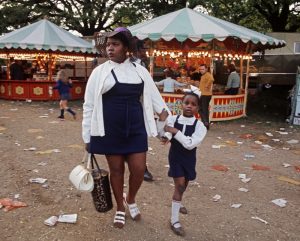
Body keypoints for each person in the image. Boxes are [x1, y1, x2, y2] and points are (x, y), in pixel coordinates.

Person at [82, 27, 169, 229]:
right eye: (108, 45)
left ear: (126, 47)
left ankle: (130, 198)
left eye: (115, 44)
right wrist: (87, 136)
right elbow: (89, 106)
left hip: (136, 128)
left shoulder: (140, 71)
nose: (110, 48)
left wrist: (166, 127)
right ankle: (120, 207)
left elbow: (157, 101)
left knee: (138, 170)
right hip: (110, 129)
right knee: (117, 170)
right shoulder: (99, 72)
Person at [161, 88, 207, 236]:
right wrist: (166, 133)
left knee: (184, 185)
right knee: (180, 186)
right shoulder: (173, 119)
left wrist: (175, 132)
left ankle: (178, 202)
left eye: (193, 104)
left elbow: (189, 144)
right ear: (181, 104)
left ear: (197, 108)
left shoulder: (200, 126)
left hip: (189, 159)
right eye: (186, 102)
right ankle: (174, 220)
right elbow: (166, 133)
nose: (189, 106)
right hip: (175, 157)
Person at [131, 40, 154, 182]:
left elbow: (148, 88)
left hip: (139, 106)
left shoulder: (142, 65)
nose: (145, 52)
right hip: (129, 106)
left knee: (141, 136)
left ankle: (142, 167)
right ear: (137, 50)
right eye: (143, 49)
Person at [199, 64, 214, 130]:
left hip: (206, 95)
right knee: (200, 109)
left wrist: (207, 86)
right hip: (203, 94)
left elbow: (211, 79)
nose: (201, 70)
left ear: (206, 69)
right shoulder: (203, 76)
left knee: (204, 110)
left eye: (203, 69)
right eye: (200, 69)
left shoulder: (208, 75)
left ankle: (206, 124)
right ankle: (205, 122)